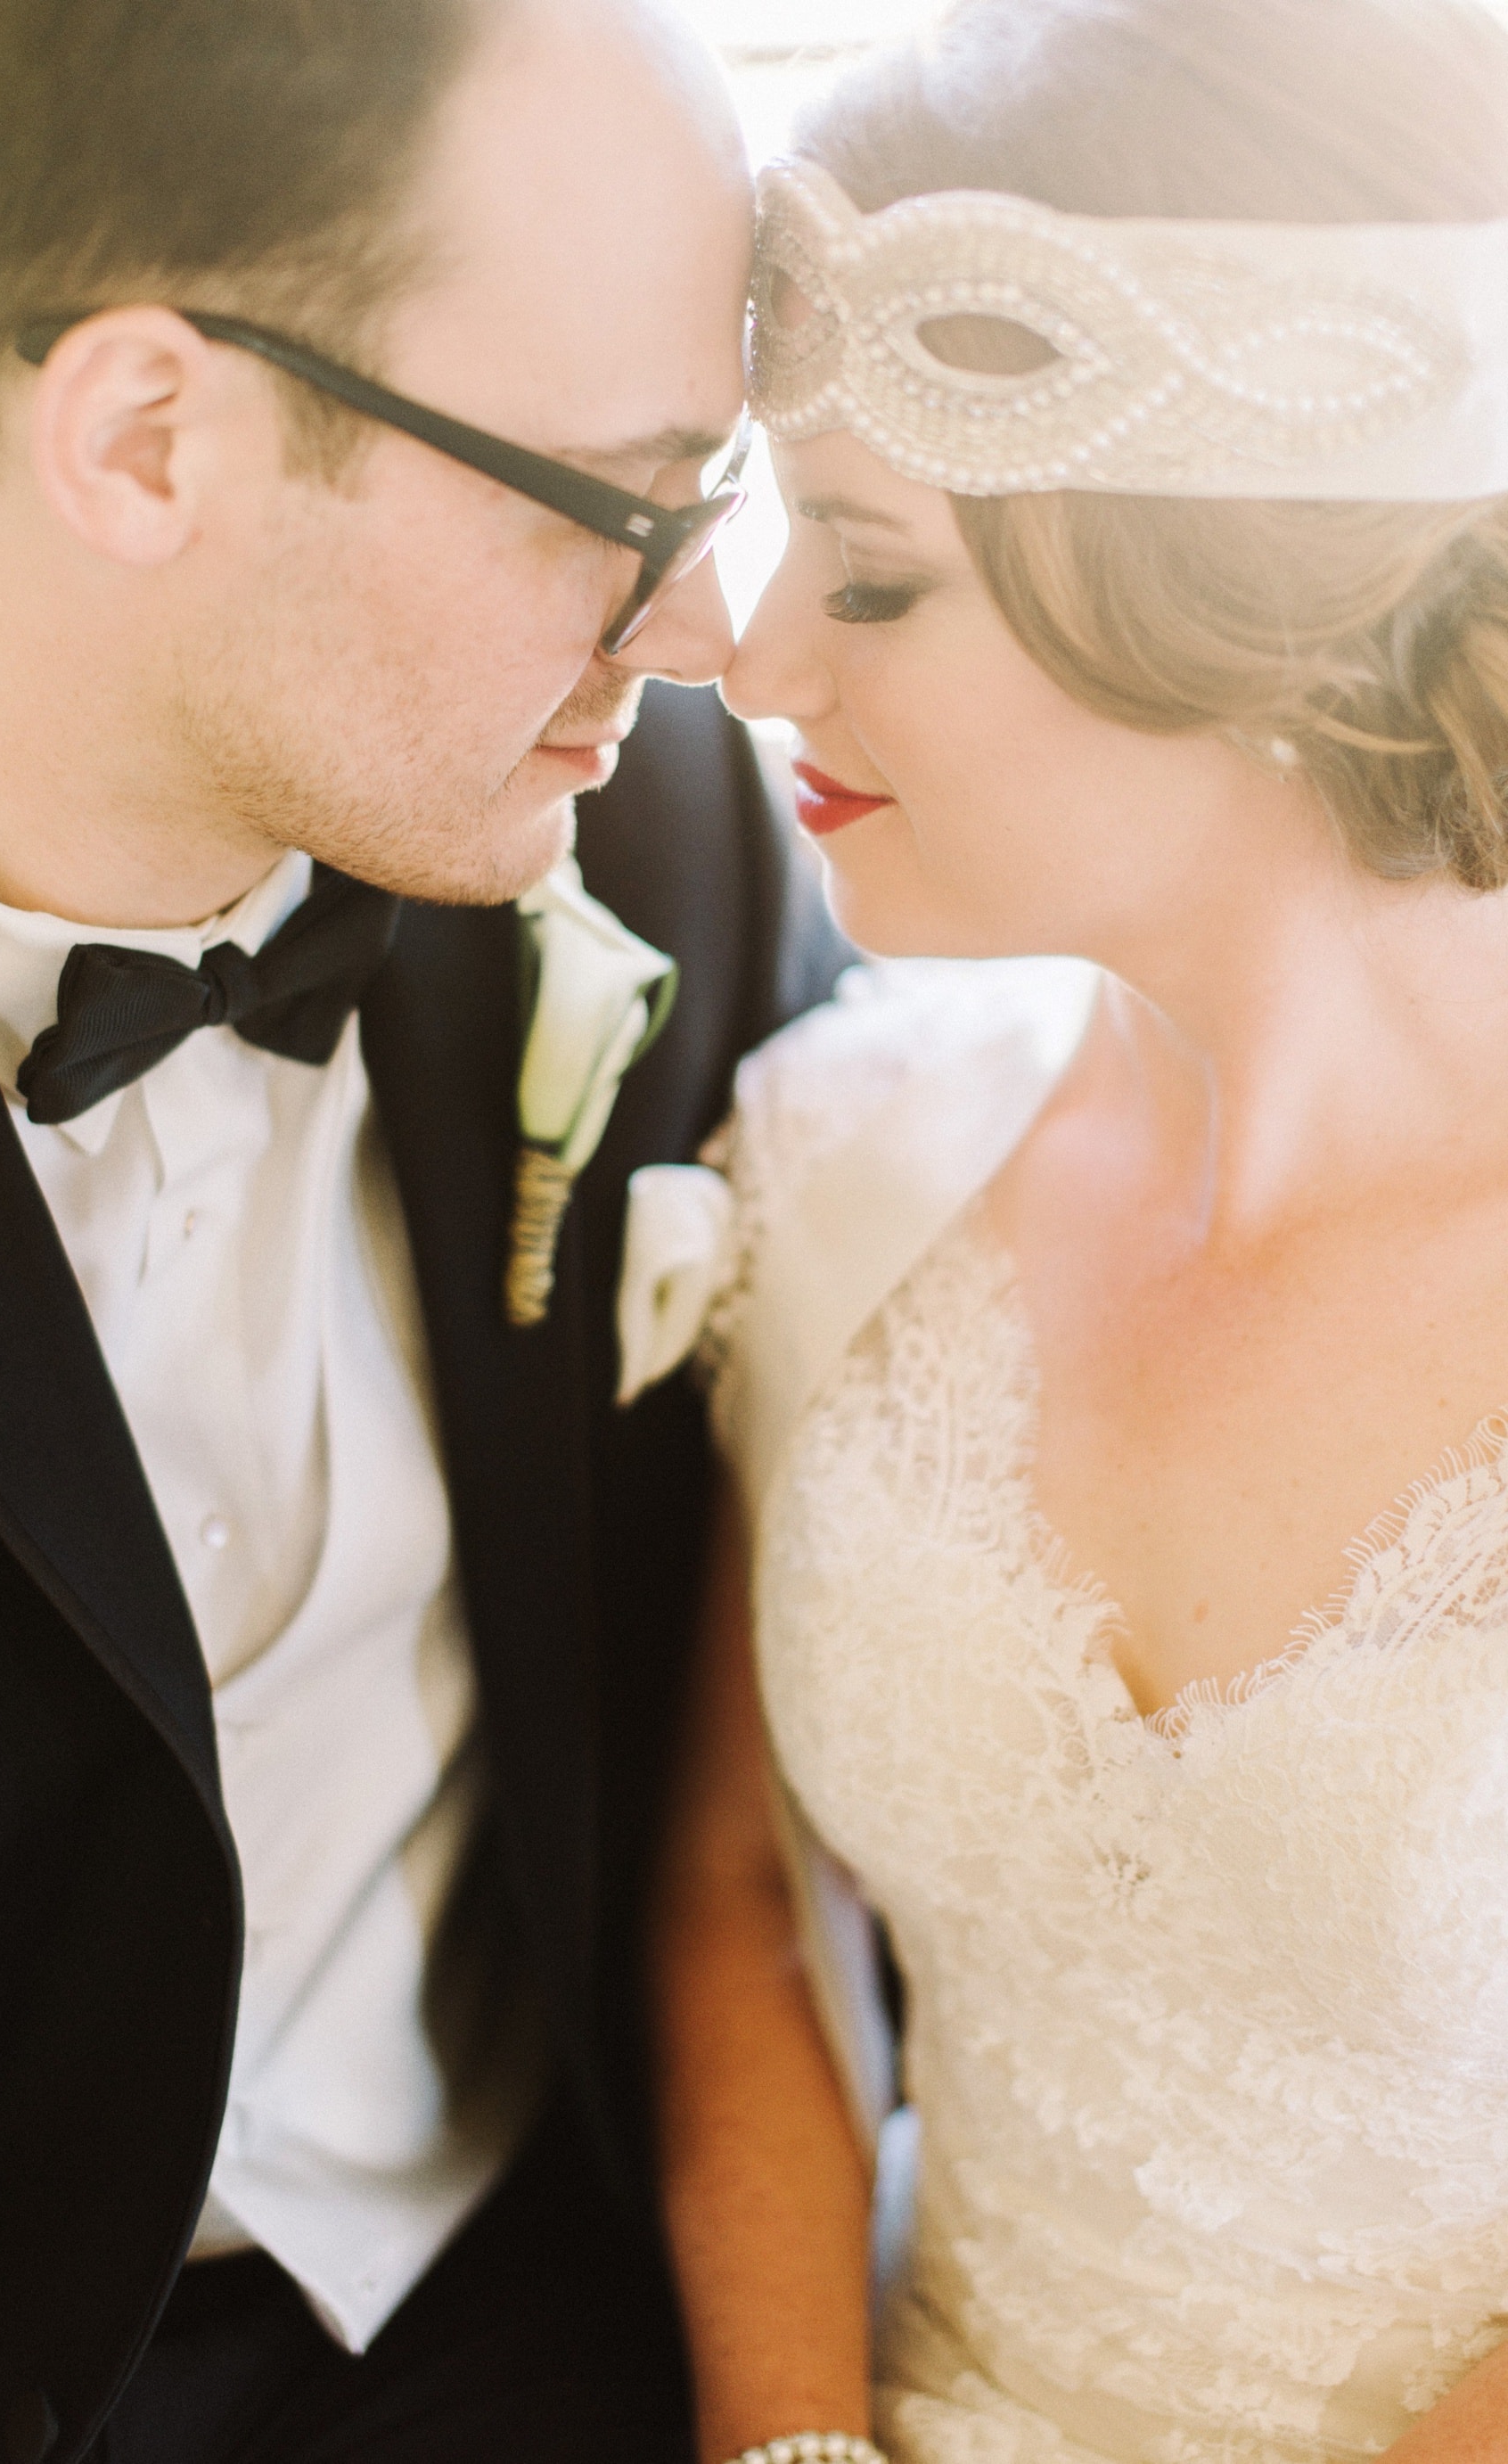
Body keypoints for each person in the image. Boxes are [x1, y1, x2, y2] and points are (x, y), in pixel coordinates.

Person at [0, 1, 848, 2459]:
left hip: (545, 2322)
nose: (704, 624)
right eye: (621, 500)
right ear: (147, 436)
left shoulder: (667, 847)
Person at [641, 1, 1508, 2459]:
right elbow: (732, 1887)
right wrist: (798, 2436)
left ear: (1238, 606)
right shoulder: (843, 1161)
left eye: (880, 578)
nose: (757, 651)